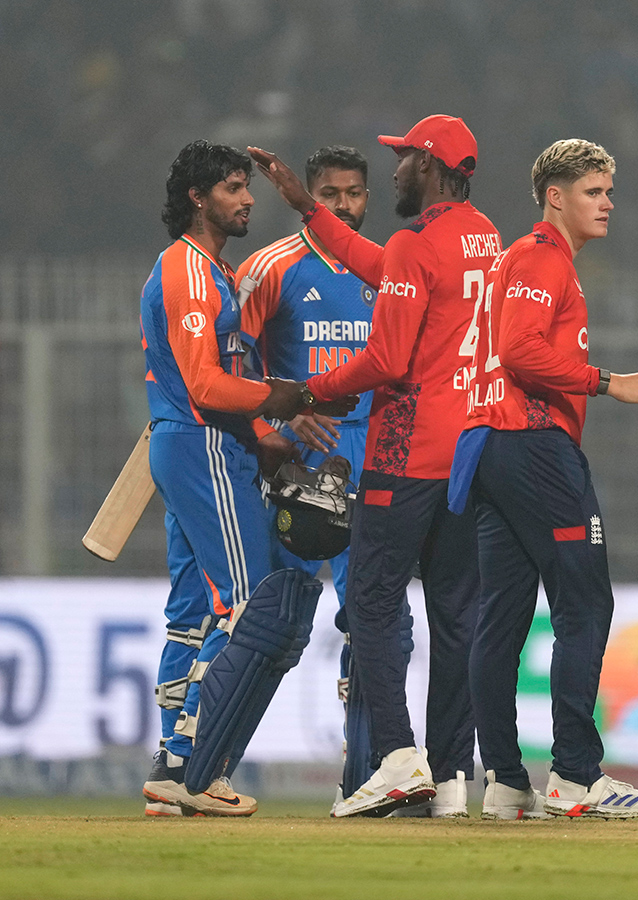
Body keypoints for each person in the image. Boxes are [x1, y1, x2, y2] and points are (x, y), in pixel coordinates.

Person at [248, 114, 500, 818]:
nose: (394, 171)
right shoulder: (482, 236)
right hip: (469, 450)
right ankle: (452, 776)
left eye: (404, 159)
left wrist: (307, 392)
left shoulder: (417, 240)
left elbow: (387, 361)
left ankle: (396, 757)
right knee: (456, 614)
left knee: (371, 601)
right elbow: (379, 263)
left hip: (406, 448)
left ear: (432, 166)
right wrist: (305, 209)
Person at [450, 138, 638, 819]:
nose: (608, 203)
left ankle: (507, 780)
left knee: (504, 619)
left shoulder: (525, 260)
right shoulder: (543, 258)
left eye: (608, 191)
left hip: (489, 448)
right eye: (594, 191)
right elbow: (520, 351)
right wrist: (610, 382)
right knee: (585, 604)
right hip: (531, 443)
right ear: (555, 195)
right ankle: (576, 775)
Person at [139, 140, 353, 816]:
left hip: (192, 442)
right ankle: (200, 767)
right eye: (234, 187)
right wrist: (279, 398)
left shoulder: (206, 271)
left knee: (191, 614)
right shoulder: (191, 274)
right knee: (246, 604)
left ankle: (173, 761)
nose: (248, 198)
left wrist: (262, 433)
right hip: (201, 446)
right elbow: (205, 383)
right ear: (199, 198)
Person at [235, 145, 378, 807]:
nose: (341, 204)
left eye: (352, 193)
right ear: (309, 195)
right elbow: (230, 363)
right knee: (266, 620)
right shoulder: (270, 268)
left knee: (367, 619)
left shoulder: (387, 273)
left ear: (366, 198)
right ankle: (207, 764)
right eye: (329, 192)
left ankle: (366, 775)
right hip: (292, 462)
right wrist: (274, 427)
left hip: (369, 464)